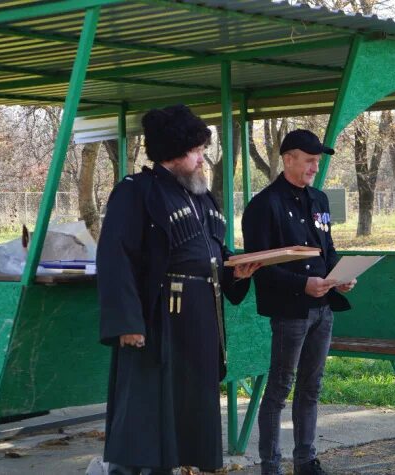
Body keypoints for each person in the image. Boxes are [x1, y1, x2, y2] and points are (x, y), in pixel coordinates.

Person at [97, 105, 259, 474]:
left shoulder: (201, 196)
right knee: (144, 413)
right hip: (157, 322)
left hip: (200, 324)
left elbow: (215, 254)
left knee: (185, 417)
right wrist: (127, 322)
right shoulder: (136, 192)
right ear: (175, 150)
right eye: (197, 150)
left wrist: (239, 270)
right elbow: (115, 258)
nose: (203, 158)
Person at [242, 129, 356, 475]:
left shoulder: (319, 200)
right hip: (290, 311)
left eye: (317, 162)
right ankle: (271, 465)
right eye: (308, 161)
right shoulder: (264, 206)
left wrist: (341, 275)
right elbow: (257, 269)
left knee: (312, 386)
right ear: (287, 159)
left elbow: (328, 250)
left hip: (323, 309)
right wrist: (303, 284)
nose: (313, 168)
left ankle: (306, 460)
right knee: (279, 387)